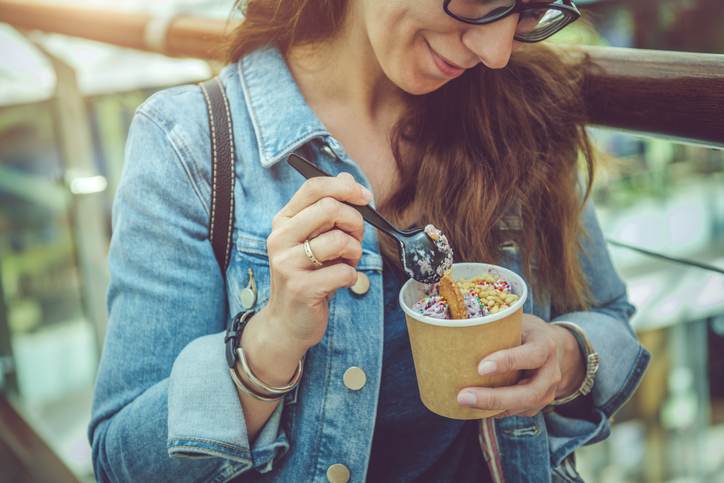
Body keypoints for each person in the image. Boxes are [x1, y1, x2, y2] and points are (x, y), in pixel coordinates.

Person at [88, 0, 651, 481]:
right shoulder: (192, 146)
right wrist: (272, 342)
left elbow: (609, 317)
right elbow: (121, 459)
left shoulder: (521, 113)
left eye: (526, 9)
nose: (497, 50)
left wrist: (568, 357)